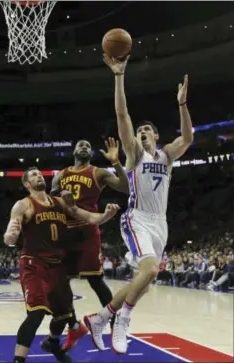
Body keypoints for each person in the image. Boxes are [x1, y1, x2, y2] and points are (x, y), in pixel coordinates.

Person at [84, 56, 194, 354]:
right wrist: (119, 76)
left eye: (148, 130)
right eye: (140, 130)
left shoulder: (167, 156)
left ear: (157, 136)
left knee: (143, 282)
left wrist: (182, 105)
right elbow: (122, 116)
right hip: (137, 219)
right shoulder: (134, 154)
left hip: (161, 224)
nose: (142, 132)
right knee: (150, 271)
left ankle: (100, 317)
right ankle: (121, 319)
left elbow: (188, 137)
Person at [3, 167, 120, 363]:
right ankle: (18, 360)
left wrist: (107, 215)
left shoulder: (59, 203)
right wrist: (11, 236)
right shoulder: (23, 205)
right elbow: (9, 235)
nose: (39, 175)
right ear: (27, 184)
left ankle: (54, 347)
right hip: (34, 263)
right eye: (33, 175)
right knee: (37, 313)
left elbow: (90, 218)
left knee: (64, 315)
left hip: (57, 265)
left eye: (40, 174)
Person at [50, 137, 129, 349]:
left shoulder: (98, 172)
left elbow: (125, 187)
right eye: (80, 144)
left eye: (87, 145)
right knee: (60, 284)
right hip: (65, 231)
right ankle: (74, 327)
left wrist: (115, 162)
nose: (84, 146)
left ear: (90, 154)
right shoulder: (61, 174)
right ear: (74, 150)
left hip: (87, 229)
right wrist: (58, 193)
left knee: (96, 280)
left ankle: (115, 325)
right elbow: (50, 197)